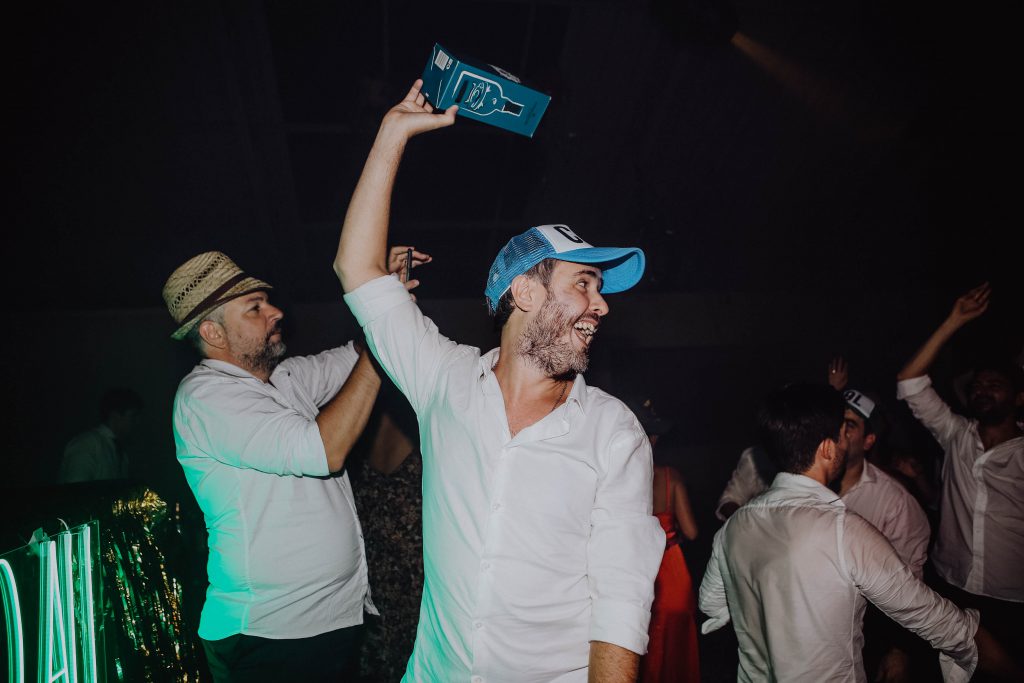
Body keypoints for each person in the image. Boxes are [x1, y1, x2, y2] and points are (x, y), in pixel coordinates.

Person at [335, 80, 664, 682]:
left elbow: (621, 599)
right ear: (525, 291)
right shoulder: (445, 380)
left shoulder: (613, 431)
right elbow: (357, 268)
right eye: (584, 283)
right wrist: (392, 134)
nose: (601, 305)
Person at [163, 248, 419, 682]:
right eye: (255, 307)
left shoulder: (284, 378)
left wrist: (382, 292)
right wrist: (381, 342)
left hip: (326, 623)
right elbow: (325, 449)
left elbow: (356, 354)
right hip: (270, 634)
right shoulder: (206, 397)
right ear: (212, 332)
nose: (276, 312)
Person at [699, 383, 983, 682]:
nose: (844, 442)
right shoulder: (845, 530)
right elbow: (931, 617)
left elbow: (711, 603)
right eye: (840, 435)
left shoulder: (734, 525)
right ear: (828, 449)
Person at [897, 283, 1024, 677]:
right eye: (978, 386)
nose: (983, 391)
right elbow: (910, 382)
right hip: (950, 584)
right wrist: (954, 320)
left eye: (995, 385)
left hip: (1012, 597)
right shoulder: (956, 433)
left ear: (1019, 398)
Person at [628, 398, 701, 683]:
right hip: (671, 574)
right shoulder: (671, 477)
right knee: (675, 648)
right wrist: (670, 533)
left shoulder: (619, 479)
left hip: (636, 571)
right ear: (655, 439)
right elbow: (692, 532)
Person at [57, 387, 143, 483]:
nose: (137, 422)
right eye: (133, 416)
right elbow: (75, 487)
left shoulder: (120, 453)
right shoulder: (87, 444)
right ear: (115, 416)